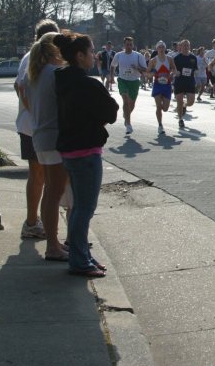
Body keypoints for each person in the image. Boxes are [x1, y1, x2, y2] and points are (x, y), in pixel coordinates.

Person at [54, 32, 119, 277]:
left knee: (79, 207)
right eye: (91, 51)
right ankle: (80, 261)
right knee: (84, 208)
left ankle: (82, 255)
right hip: (85, 151)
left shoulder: (62, 80)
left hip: (70, 150)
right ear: (80, 56)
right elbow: (110, 112)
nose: (95, 56)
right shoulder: (87, 84)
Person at [21, 32, 69, 261]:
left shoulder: (33, 74)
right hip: (54, 138)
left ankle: (53, 242)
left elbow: (24, 97)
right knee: (55, 193)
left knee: (50, 192)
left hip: (40, 136)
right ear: (54, 51)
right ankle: (53, 245)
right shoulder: (54, 74)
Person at [15, 18, 59, 240]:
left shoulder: (32, 58)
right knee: (45, 177)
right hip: (37, 126)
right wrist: (35, 112)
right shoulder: (35, 58)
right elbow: (21, 87)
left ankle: (35, 222)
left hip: (31, 125)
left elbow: (19, 87)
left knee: (40, 175)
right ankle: (35, 223)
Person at [110, 37, 148, 135]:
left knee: (131, 104)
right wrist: (112, 77)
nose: (129, 46)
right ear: (124, 45)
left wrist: (137, 67)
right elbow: (113, 66)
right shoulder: (119, 55)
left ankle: (126, 116)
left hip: (134, 82)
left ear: (133, 45)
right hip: (122, 80)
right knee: (125, 101)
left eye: (131, 44)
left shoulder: (138, 56)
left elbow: (145, 69)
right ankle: (128, 124)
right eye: (127, 44)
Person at [148, 41, 176, 135]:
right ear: (157, 49)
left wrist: (171, 73)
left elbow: (174, 69)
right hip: (157, 85)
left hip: (167, 85)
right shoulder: (153, 60)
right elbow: (148, 72)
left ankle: (166, 105)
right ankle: (160, 125)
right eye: (159, 47)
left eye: (162, 47)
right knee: (158, 106)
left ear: (165, 48)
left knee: (165, 109)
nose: (161, 49)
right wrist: (152, 73)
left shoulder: (170, 59)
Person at [173, 39, 199, 129]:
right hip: (179, 81)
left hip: (189, 81)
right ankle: (180, 119)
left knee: (191, 102)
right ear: (180, 47)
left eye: (187, 45)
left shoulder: (193, 58)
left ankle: (185, 105)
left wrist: (196, 72)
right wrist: (175, 72)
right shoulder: (177, 58)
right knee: (179, 101)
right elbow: (172, 69)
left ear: (189, 47)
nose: (186, 47)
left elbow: (196, 68)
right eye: (184, 45)